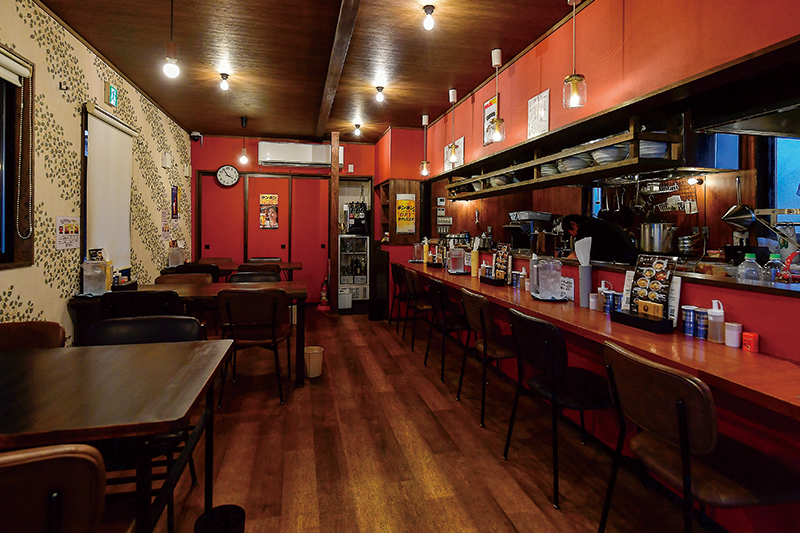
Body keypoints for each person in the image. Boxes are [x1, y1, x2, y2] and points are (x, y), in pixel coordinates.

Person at [561, 214, 638, 264]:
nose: (572, 237)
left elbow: (578, 255)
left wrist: (562, 264)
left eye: (569, 233)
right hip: (631, 259)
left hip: (624, 262)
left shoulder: (585, 227)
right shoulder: (594, 223)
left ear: (573, 224)